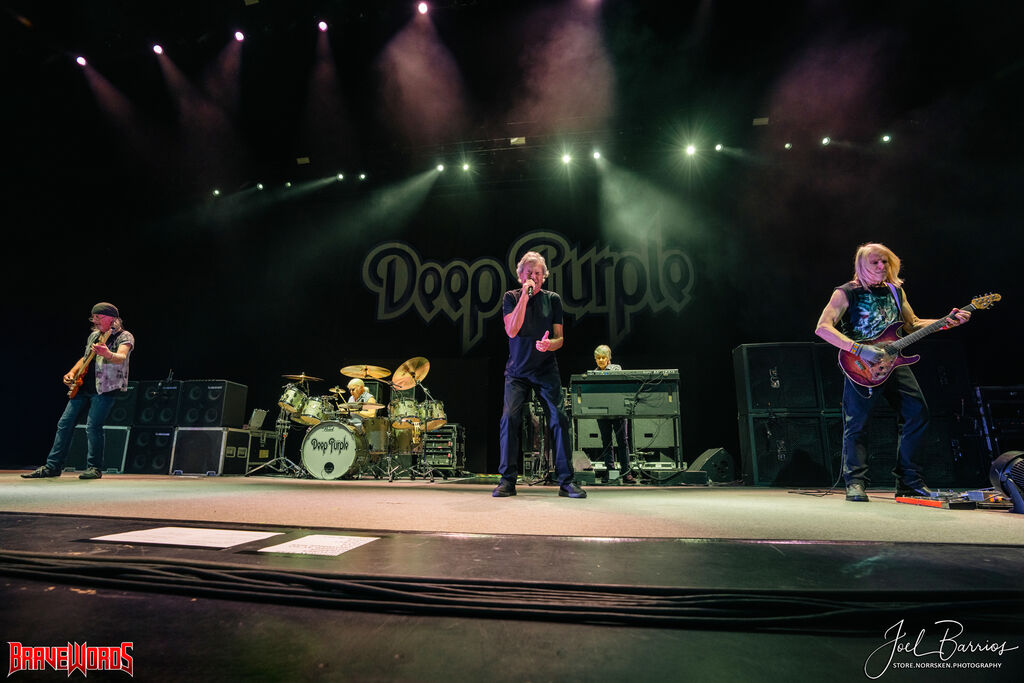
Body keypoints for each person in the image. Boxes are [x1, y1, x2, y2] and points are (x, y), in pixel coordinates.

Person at [815, 243, 970, 502]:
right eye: (875, 262)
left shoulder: (895, 291)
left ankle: (909, 481)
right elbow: (822, 328)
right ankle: (855, 482)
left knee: (917, 413)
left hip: (894, 362)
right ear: (861, 265)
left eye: (885, 262)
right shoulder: (846, 292)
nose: (881, 266)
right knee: (858, 424)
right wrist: (859, 349)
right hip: (861, 365)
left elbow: (913, 324)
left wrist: (946, 322)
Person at [493, 251, 586, 498]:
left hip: (545, 369)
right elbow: (511, 330)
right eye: (529, 273)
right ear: (520, 276)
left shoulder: (552, 299)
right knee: (509, 419)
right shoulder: (511, 297)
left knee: (559, 419)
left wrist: (549, 344)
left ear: (544, 277)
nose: (533, 277)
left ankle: (566, 482)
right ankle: (507, 480)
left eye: (537, 273)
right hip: (517, 372)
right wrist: (525, 295)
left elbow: (559, 338)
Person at [23, 302, 135, 480]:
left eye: (98, 317)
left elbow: (121, 357)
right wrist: (72, 372)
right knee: (64, 424)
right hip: (83, 386)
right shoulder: (94, 336)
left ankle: (94, 468)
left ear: (111, 318)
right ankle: (52, 466)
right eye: (94, 317)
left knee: (93, 426)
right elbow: (85, 358)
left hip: (105, 387)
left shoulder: (124, 336)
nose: (95, 320)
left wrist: (107, 353)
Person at [592, 345, 636, 484]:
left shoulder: (616, 368)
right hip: (602, 411)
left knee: (623, 442)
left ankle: (626, 473)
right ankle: (610, 471)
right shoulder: (593, 373)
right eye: (598, 358)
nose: (601, 360)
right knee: (606, 442)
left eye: (603, 357)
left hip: (618, 412)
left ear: (609, 358)